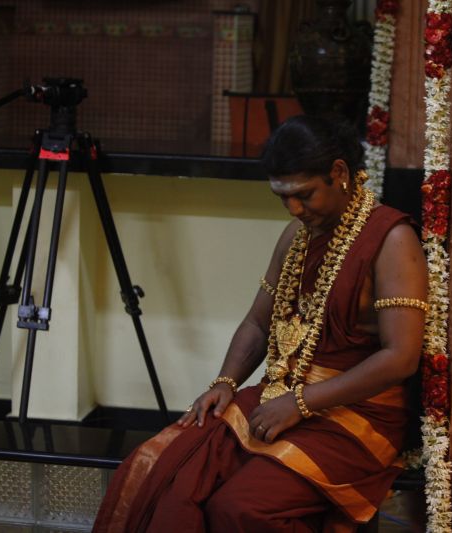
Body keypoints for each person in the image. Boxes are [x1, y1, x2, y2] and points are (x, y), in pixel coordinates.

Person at [93, 114, 428, 532]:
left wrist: (301, 403)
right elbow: (257, 323)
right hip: (280, 392)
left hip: (357, 415)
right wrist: (225, 383)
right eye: (283, 197)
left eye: (304, 195)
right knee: (164, 471)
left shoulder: (392, 240)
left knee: (239, 509)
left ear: (339, 173)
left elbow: (400, 358)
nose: (294, 209)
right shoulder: (296, 235)